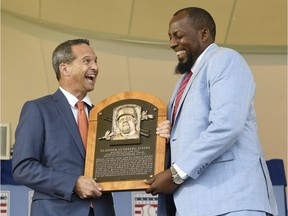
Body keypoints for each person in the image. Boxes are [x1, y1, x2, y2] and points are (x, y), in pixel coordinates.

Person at [144, 7, 278, 216]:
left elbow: (226, 126)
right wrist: (170, 134)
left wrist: (175, 174)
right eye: (170, 37)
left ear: (203, 34)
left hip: (232, 202)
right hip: (193, 206)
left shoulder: (225, 60)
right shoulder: (183, 81)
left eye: (178, 36)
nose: (172, 43)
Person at [12, 39, 115, 216]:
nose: (95, 67)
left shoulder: (104, 116)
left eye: (96, 61)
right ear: (65, 68)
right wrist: (73, 183)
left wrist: (160, 138)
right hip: (55, 211)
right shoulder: (38, 109)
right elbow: (23, 167)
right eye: (87, 61)